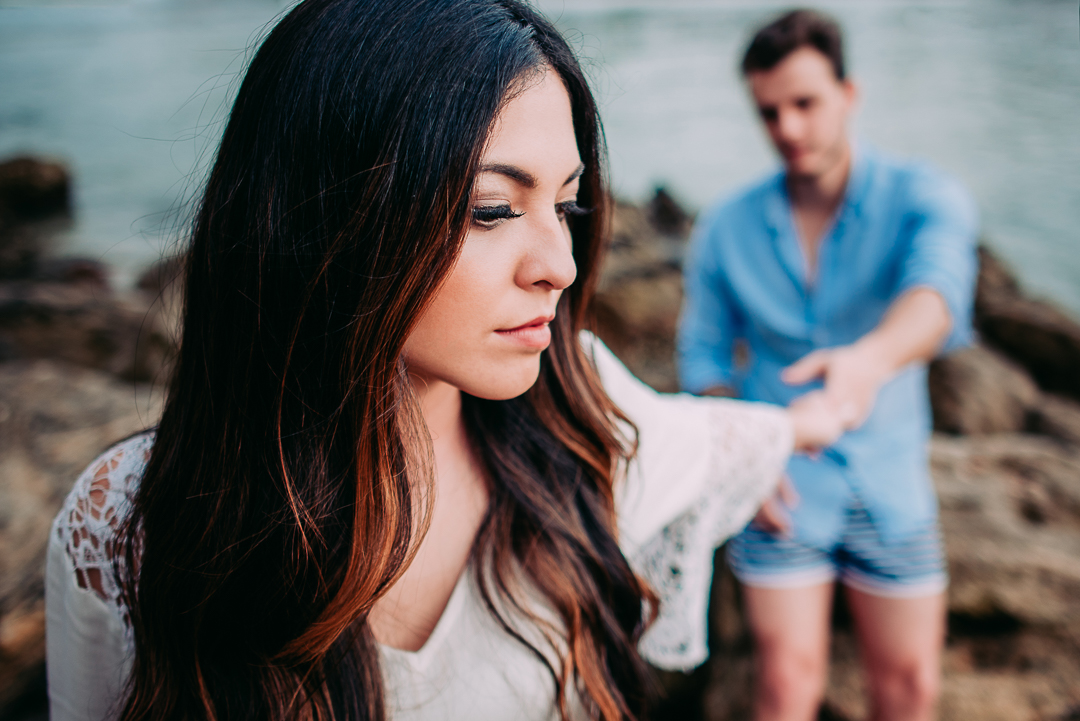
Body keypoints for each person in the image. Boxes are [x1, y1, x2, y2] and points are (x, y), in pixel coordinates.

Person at [45, 2, 845, 720]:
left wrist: (822, 409)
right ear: (330, 214)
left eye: (566, 204)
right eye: (492, 209)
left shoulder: (579, 419)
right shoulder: (129, 528)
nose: (561, 265)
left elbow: (710, 438)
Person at [677, 9, 977, 721]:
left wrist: (869, 360)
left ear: (849, 94)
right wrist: (741, 457)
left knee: (910, 687)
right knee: (784, 685)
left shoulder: (923, 196)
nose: (787, 127)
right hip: (780, 486)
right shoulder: (726, 226)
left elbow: (937, 296)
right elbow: (703, 355)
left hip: (891, 481)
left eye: (805, 103)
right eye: (768, 111)